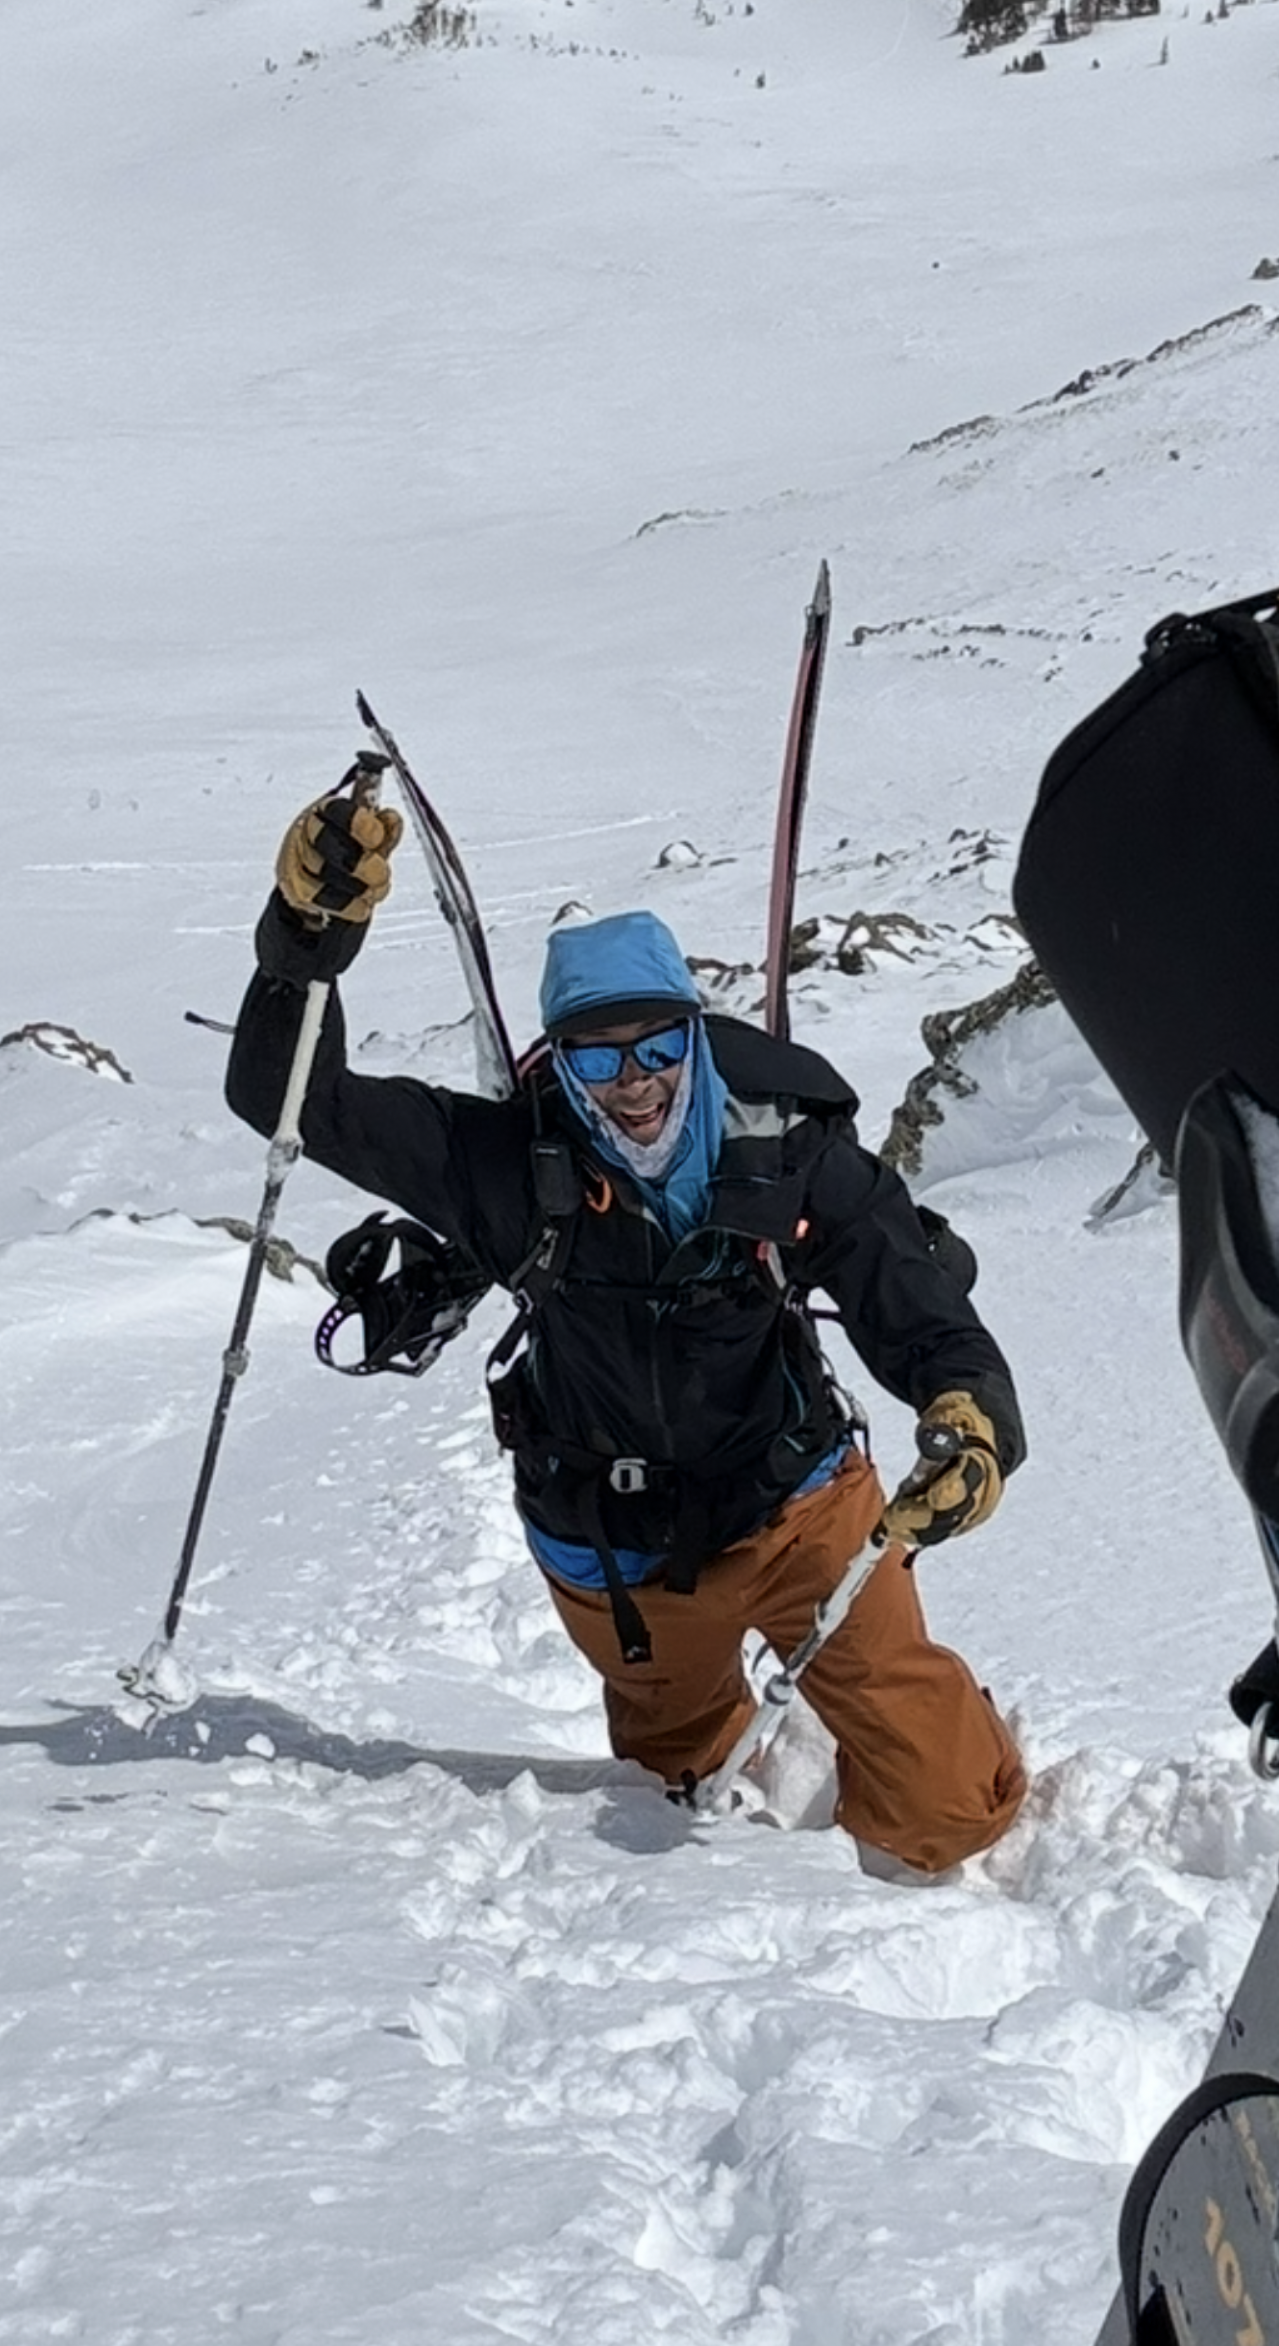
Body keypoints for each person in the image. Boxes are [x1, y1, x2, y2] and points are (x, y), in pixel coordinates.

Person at [226, 786, 1028, 1876]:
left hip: (796, 1507)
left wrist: (972, 1420)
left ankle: (898, 1733)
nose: (635, 1085)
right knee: (680, 1806)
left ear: (695, 1034)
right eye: (597, 1060)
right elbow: (290, 1100)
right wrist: (303, 943)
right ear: (559, 1064)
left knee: (952, 1812)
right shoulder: (508, 1169)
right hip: (615, 1548)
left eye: (655, 1049)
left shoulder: (787, 1149)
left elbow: (910, 1295)